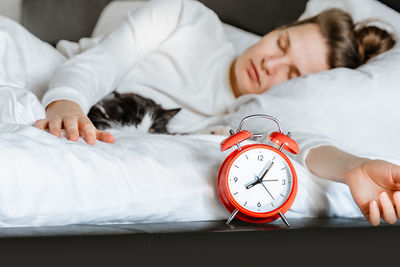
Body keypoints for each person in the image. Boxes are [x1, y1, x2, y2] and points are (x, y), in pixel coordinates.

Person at [34, 0, 398, 226]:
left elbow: (300, 143)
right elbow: (102, 62)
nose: (271, 64)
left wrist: (353, 167)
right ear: (278, 29)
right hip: (47, 74)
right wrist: (67, 102)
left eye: (292, 74)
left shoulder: (245, 118)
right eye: (281, 45)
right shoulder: (187, 18)